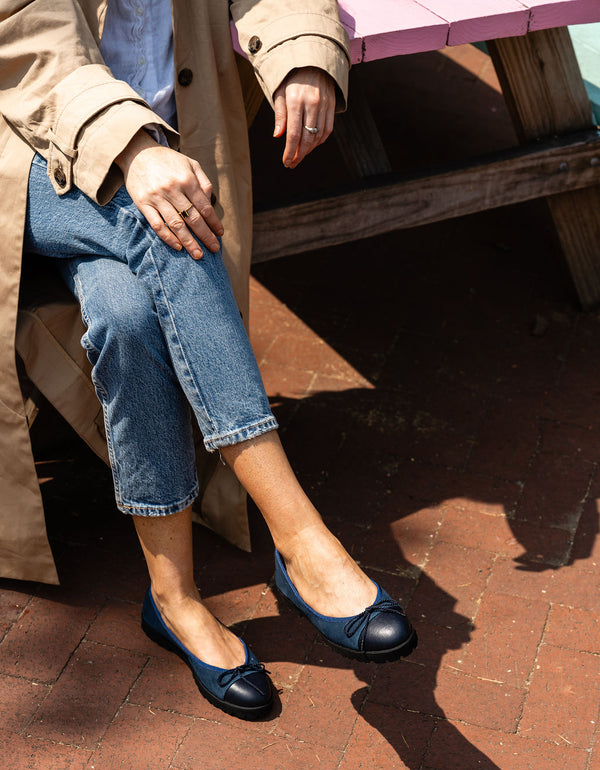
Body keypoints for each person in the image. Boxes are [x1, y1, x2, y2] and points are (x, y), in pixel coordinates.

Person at [0, 0, 417, 720]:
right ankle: (302, 537)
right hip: (30, 146)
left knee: (128, 314)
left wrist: (304, 50)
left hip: (168, 153)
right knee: (168, 223)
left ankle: (174, 599)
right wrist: (132, 150)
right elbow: (28, 36)